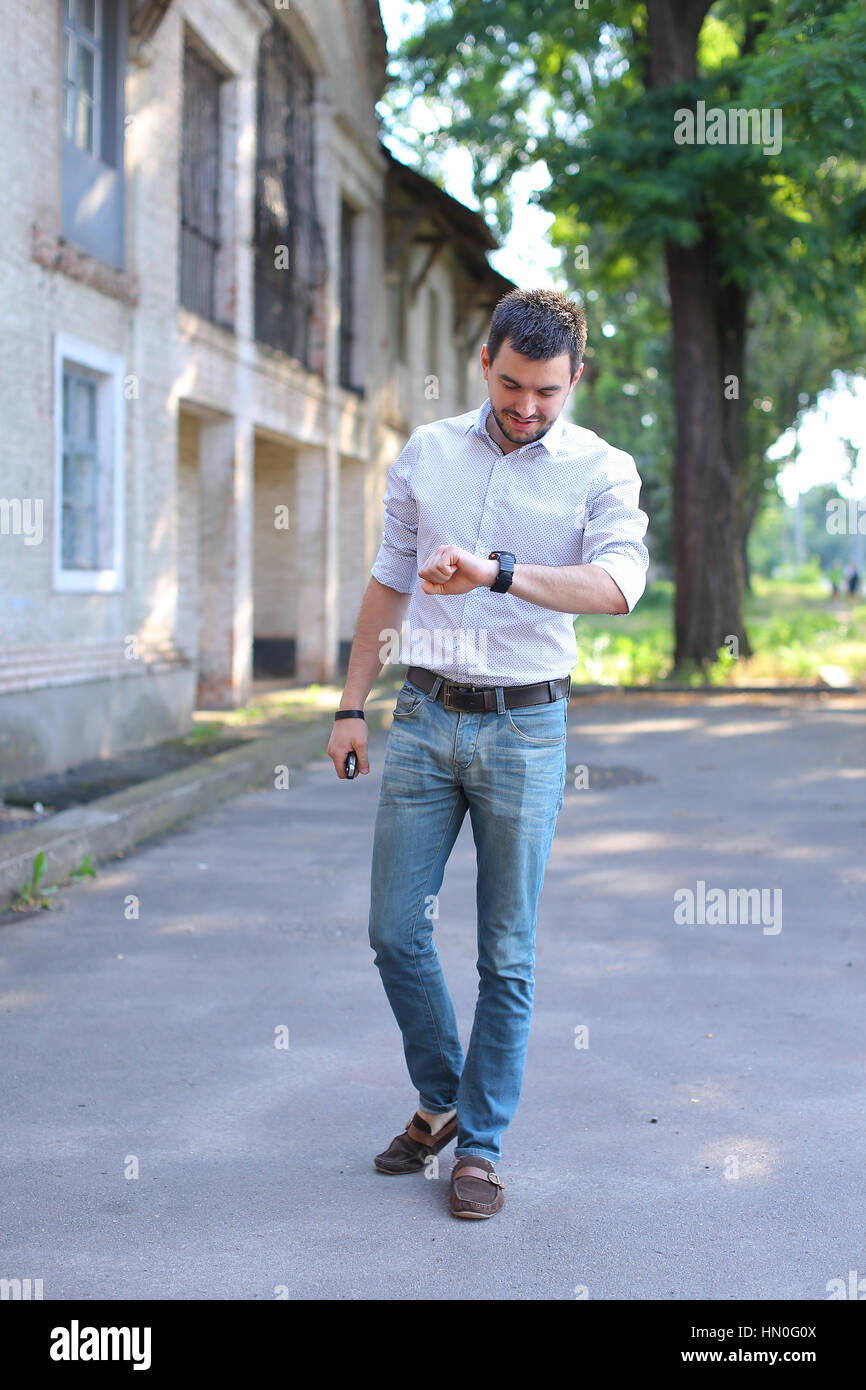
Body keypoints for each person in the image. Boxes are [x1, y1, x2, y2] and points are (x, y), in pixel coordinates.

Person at [327, 287, 650, 1219]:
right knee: (395, 930)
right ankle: (441, 1098)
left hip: (525, 728)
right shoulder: (428, 453)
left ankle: (481, 1147)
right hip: (425, 717)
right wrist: (351, 705)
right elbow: (388, 584)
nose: (526, 406)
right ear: (484, 361)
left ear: (575, 377)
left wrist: (497, 570)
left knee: (506, 957)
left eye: (547, 391)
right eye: (512, 384)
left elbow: (619, 584)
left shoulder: (603, 470)